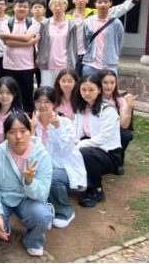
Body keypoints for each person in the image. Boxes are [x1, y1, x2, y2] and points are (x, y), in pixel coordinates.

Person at [0, 111, 53, 258]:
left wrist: (30, 181)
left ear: (30, 131)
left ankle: (33, 240)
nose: (18, 136)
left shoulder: (42, 155)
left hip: (28, 199)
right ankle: (4, 225)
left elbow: (43, 192)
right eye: (12, 132)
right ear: (6, 135)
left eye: (23, 131)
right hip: (3, 198)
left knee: (41, 215)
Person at [32, 87, 86, 229]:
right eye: (38, 101)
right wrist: (31, 133)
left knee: (51, 176)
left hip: (63, 169)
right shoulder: (31, 122)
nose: (42, 105)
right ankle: (45, 210)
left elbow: (65, 151)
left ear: (54, 103)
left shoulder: (65, 123)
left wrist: (57, 128)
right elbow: (28, 153)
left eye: (47, 101)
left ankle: (65, 212)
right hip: (39, 167)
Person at [67, 0, 149, 77]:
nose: (80, 0)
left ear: (87, 0)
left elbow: (118, 9)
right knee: (73, 80)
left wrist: (134, 0)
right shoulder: (66, 16)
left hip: (88, 54)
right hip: (72, 54)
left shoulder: (95, 13)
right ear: (73, 0)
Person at [73, 75, 122, 208]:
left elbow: (103, 137)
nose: (87, 93)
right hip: (91, 146)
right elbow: (76, 131)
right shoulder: (81, 107)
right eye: (83, 90)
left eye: (91, 89)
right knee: (72, 148)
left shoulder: (108, 109)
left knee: (86, 153)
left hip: (109, 153)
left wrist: (80, 145)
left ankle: (96, 190)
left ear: (99, 90)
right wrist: (73, 142)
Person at [0, 0, 40, 114]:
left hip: (27, 66)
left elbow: (27, 37)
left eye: (25, 6)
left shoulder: (33, 22)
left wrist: (6, 35)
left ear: (29, 9)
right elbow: (8, 43)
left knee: (27, 98)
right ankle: (10, 119)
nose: (22, 9)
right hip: (9, 66)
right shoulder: (7, 22)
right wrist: (29, 43)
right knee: (10, 96)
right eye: (19, 6)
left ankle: (27, 120)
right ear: (14, 7)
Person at [98, 69, 136, 175]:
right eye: (105, 82)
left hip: (113, 128)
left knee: (125, 134)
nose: (109, 86)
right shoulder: (93, 97)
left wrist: (129, 105)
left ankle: (118, 159)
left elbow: (124, 125)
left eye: (112, 82)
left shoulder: (119, 100)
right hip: (96, 127)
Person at [37, 0, 78, 88]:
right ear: (51, 8)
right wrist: (38, 58)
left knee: (64, 90)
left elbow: (74, 45)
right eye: (55, 6)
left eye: (61, 5)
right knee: (47, 90)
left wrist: (73, 60)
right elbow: (40, 43)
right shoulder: (45, 24)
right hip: (48, 64)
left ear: (65, 7)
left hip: (66, 64)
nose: (58, 8)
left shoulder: (71, 25)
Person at [82, 0, 125, 76]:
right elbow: (85, 41)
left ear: (111, 3)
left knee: (109, 85)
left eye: (105, 2)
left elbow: (119, 43)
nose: (102, 5)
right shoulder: (88, 22)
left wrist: (114, 56)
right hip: (91, 64)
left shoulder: (116, 23)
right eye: (99, 2)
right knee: (89, 84)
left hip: (110, 64)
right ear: (95, 4)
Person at [31, 0, 47, 88]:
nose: (37, 9)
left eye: (40, 7)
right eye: (35, 7)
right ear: (31, 10)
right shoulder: (27, 22)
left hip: (43, 56)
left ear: (44, 10)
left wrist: (39, 57)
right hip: (28, 56)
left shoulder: (48, 23)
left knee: (42, 82)